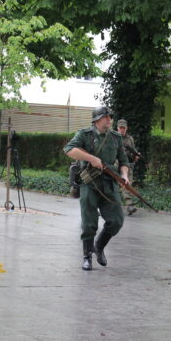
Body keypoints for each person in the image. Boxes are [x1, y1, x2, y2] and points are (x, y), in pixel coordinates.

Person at [64, 106, 131, 271]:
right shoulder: (84, 134)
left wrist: (125, 175)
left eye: (110, 117)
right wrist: (91, 158)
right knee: (89, 222)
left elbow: (124, 161)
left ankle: (99, 246)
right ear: (96, 120)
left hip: (109, 184)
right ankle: (87, 256)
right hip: (90, 184)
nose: (109, 120)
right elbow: (69, 150)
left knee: (116, 221)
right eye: (105, 117)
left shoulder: (116, 138)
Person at [116, 119, 140, 216]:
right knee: (109, 185)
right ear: (117, 128)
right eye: (120, 128)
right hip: (115, 164)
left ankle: (130, 205)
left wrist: (136, 156)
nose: (122, 130)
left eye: (123, 128)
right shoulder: (113, 137)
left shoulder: (130, 139)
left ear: (126, 128)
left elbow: (134, 150)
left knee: (127, 184)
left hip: (126, 164)